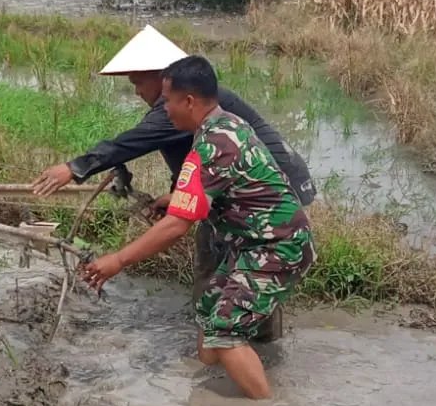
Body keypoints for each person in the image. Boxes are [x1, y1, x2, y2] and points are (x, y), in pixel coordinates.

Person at [31, 25, 315, 339]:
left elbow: (130, 143)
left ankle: (230, 342)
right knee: (248, 270)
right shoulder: (199, 108)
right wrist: (176, 195)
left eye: (138, 82)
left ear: (165, 78)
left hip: (268, 193)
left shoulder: (186, 107)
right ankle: (243, 338)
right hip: (270, 187)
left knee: (224, 261)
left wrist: (74, 167)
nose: (137, 91)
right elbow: (195, 167)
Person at [78, 56, 315, 401]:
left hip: (277, 248)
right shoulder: (228, 124)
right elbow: (223, 184)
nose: (165, 111)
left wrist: (117, 260)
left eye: (167, 102)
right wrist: (176, 195)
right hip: (254, 244)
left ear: (188, 101)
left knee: (224, 330)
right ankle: (210, 392)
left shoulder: (210, 145)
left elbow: (176, 225)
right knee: (209, 306)